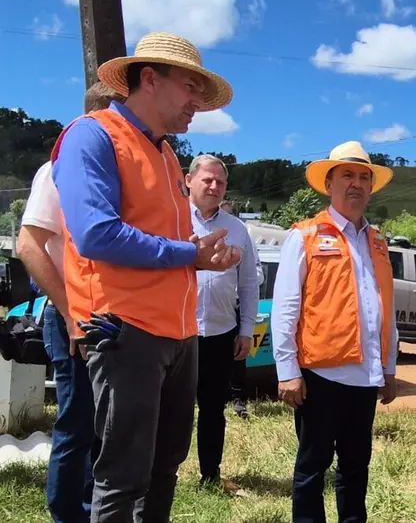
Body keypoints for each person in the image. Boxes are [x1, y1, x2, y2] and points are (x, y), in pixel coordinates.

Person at [51, 32, 241, 522]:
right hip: (126, 330)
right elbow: (96, 234)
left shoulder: (166, 154)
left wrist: (203, 259)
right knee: (123, 475)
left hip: (180, 335)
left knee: (165, 467)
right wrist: (188, 255)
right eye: (190, 88)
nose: (197, 102)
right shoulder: (92, 135)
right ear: (150, 79)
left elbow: (171, 244)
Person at [270, 140, 399, 523]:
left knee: (357, 467)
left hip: (365, 378)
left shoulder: (378, 242)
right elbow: (286, 307)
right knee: (312, 467)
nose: (357, 183)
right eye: (347, 175)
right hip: (320, 375)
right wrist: (287, 371)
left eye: (364, 177)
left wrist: (389, 369)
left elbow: (383, 310)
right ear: (329, 184)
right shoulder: (305, 235)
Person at [16, 82, 124, 523]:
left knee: (104, 425)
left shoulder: (114, 172)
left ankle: (92, 506)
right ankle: (67, 514)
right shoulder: (58, 169)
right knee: (76, 424)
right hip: (73, 319)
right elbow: (28, 245)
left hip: (109, 318)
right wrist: (71, 313)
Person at [187, 154, 260, 486]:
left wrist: (246, 329)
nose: (214, 186)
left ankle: (210, 475)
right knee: (170, 409)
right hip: (177, 331)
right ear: (189, 181)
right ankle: (162, 474)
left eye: (220, 181)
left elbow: (247, 283)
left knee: (213, 410)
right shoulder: (172, 219)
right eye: (207, 179)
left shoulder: (237, 229)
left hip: (220, 333)